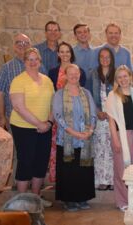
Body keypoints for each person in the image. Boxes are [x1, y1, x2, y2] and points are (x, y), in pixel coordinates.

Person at [0, 34, 47, 187]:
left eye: (26, 42)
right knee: (21, 157)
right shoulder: (7, 67)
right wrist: (2, 117)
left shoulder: (41, 68)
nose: (22, 45)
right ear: (14, 46)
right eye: (19, 42)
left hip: (39, 122)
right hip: (17, 121)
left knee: (37, 157)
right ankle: (19, 192)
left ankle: (34, 194)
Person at [9, 48, 54, 205]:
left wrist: (48, 122)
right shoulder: (18, 81)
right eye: (30, 59)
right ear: (25, 61)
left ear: (40, 62)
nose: (33, 62)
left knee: (41, 162)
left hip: (45, 128)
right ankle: (21, 201)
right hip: (23, 128)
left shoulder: (47, 80)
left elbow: (52, 104)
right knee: (25, 162)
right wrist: (39, 124)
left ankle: (36, 199)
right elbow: (18, 107)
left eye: (36, 59)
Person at [52, 64, 96, 212]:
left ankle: (82, 197)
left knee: (83, 170)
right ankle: (69, 200)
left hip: (85, 139)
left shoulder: (87, 93)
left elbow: (93, 114)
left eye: (76, 73)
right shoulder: (59, 94)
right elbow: (58, 117)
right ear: (65, 75)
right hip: (67, 140)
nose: (74, 76)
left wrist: (90, 130)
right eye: (70, 73)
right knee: (69, 170)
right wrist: (75, 133)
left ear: (79, 75)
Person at [106, 65, 133, 212]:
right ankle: (122, 201)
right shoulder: (113, 96)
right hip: (121, 137)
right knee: (121, 171)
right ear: (117, 79)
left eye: (125, 76)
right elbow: (111, 120)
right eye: (120, 77)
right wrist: (115, 139)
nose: (123, 79)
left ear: (130, 77)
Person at [47, 41, 87, 183]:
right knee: (57, 149)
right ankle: (58, 180)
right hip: (59, 117)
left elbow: (83, 95)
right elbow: (51, 95)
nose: (65, 54)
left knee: (74, 150)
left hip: (76, 118)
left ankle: (73, 181)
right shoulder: (52, 72)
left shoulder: (79, 71)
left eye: (67, 51)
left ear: (71, 54)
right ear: (58, 54)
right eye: (62, 51)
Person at [88, 47, 115, 191]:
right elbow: (89, 95)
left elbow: (122, 95)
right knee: (100, 149)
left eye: (107, 57)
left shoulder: (117, 74)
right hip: (98, 117)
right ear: (98, 59)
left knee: (112, 149)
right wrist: (97, 111)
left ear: (111, 59)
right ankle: (102, 180)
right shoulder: (93, 74)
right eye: (102, 57)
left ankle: (112, 180)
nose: (105, 59)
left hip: (114, 117)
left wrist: (112, 113)